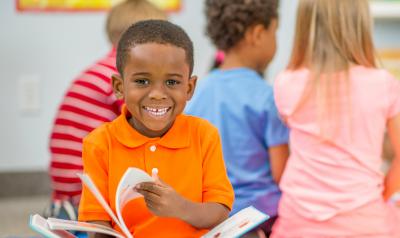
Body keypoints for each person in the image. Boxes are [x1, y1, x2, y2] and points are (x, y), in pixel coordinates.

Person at [78, 20, 234, 238]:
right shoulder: (99, 143)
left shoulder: (204, 135)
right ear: (119, 87)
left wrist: (181, 207)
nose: (157, 94)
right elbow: (97, 223)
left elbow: (220, 210)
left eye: (172, 82)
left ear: (189, 88)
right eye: (142, 81)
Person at [271, 0, 400, 237]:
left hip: (299, 224)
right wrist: (376, 199)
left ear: (306, 26)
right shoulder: (384, 84)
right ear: (360, 24)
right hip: (365, 223)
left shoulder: (286, 83)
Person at [46, 0, 167, 219]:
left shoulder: (102, 68)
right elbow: (150, 128)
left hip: (65, 192)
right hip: (86, 193)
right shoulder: (124, 75)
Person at [185, 0, 289, 235]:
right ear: (257, 34)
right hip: (263, 218)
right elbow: (281, 172)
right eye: (275, 31)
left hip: (214, 218)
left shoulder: (197, 94)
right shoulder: (267, 97)